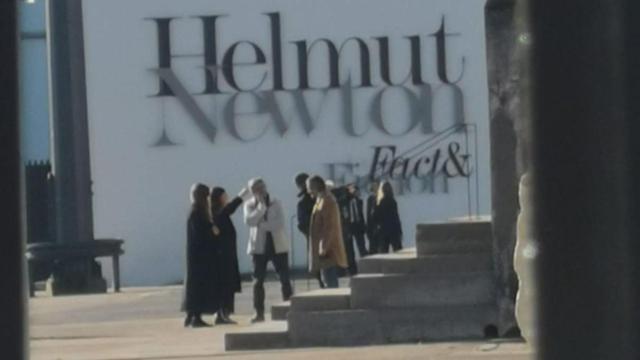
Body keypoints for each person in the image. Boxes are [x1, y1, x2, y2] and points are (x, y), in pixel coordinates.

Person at [244, 178, 293, 323]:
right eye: (256, 188)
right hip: (258, 247)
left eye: (261, 187)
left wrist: (261, 225)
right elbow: (249, 221)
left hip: (277, 245)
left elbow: (279, 224)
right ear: (252, 191)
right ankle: (258, 313)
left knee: (284, 279)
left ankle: (288, 309)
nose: (260, 190)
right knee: (258, 281)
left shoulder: (276, 202)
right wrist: (261, 209)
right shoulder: (249, 204)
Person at [209, 186, 250, 325]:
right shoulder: (217, 212)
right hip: (223, 256)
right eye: (225, 195)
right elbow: (229, 209)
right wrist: (241, 197)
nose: (227, 197)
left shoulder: (218, 212)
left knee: (229, 285)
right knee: (225, 285)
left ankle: (224, 313)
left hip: (227, 254)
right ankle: (222, 313)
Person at [182, 183, 219, 328]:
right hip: (200, 256)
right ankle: (195, 316)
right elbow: (202, 234)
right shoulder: (198, 213)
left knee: (193, 285)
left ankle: (191, 315)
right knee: (198, 286)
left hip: (195, 255)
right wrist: (212, 231)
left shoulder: (195, 211)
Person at [307, 176, 348, 288]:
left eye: (309, 187)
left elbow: (330, 226)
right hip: (324, 247)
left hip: (328, 249)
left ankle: (335, 303)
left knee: (330, 280)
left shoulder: (327, 200)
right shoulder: (321, 199)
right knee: (327, 279)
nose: (308, 190)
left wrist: (323, 247)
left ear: (315, 187)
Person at [295, 173, 325, 288]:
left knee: (319, 264)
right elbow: (302, 224)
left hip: (314, 236)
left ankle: (322, 284)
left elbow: (302, 224)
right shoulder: (318, 199)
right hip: (318, 236)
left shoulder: (305, 202)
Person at [372, 181, 403, 253]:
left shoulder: (379, 202)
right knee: (398, 251)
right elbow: (396, 217)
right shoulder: (393, 201)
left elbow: (375, 217)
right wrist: (399, 230)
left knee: (383, 253)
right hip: (394, 229)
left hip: (383, 229)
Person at [346, 184, 368, 258]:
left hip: (358, 225)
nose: (357, 193)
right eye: (355, 191)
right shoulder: (347, 202)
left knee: (361, 246)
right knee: (349, 248)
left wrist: (363, 226)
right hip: (350, 225)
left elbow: (361, 215)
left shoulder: (359, 201)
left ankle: (364, 259)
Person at [365, 181, 379, 254]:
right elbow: (368, 214)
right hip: (372, 226)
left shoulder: (380, 198)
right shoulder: (370, 199)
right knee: (373, 247)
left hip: (379, 226)